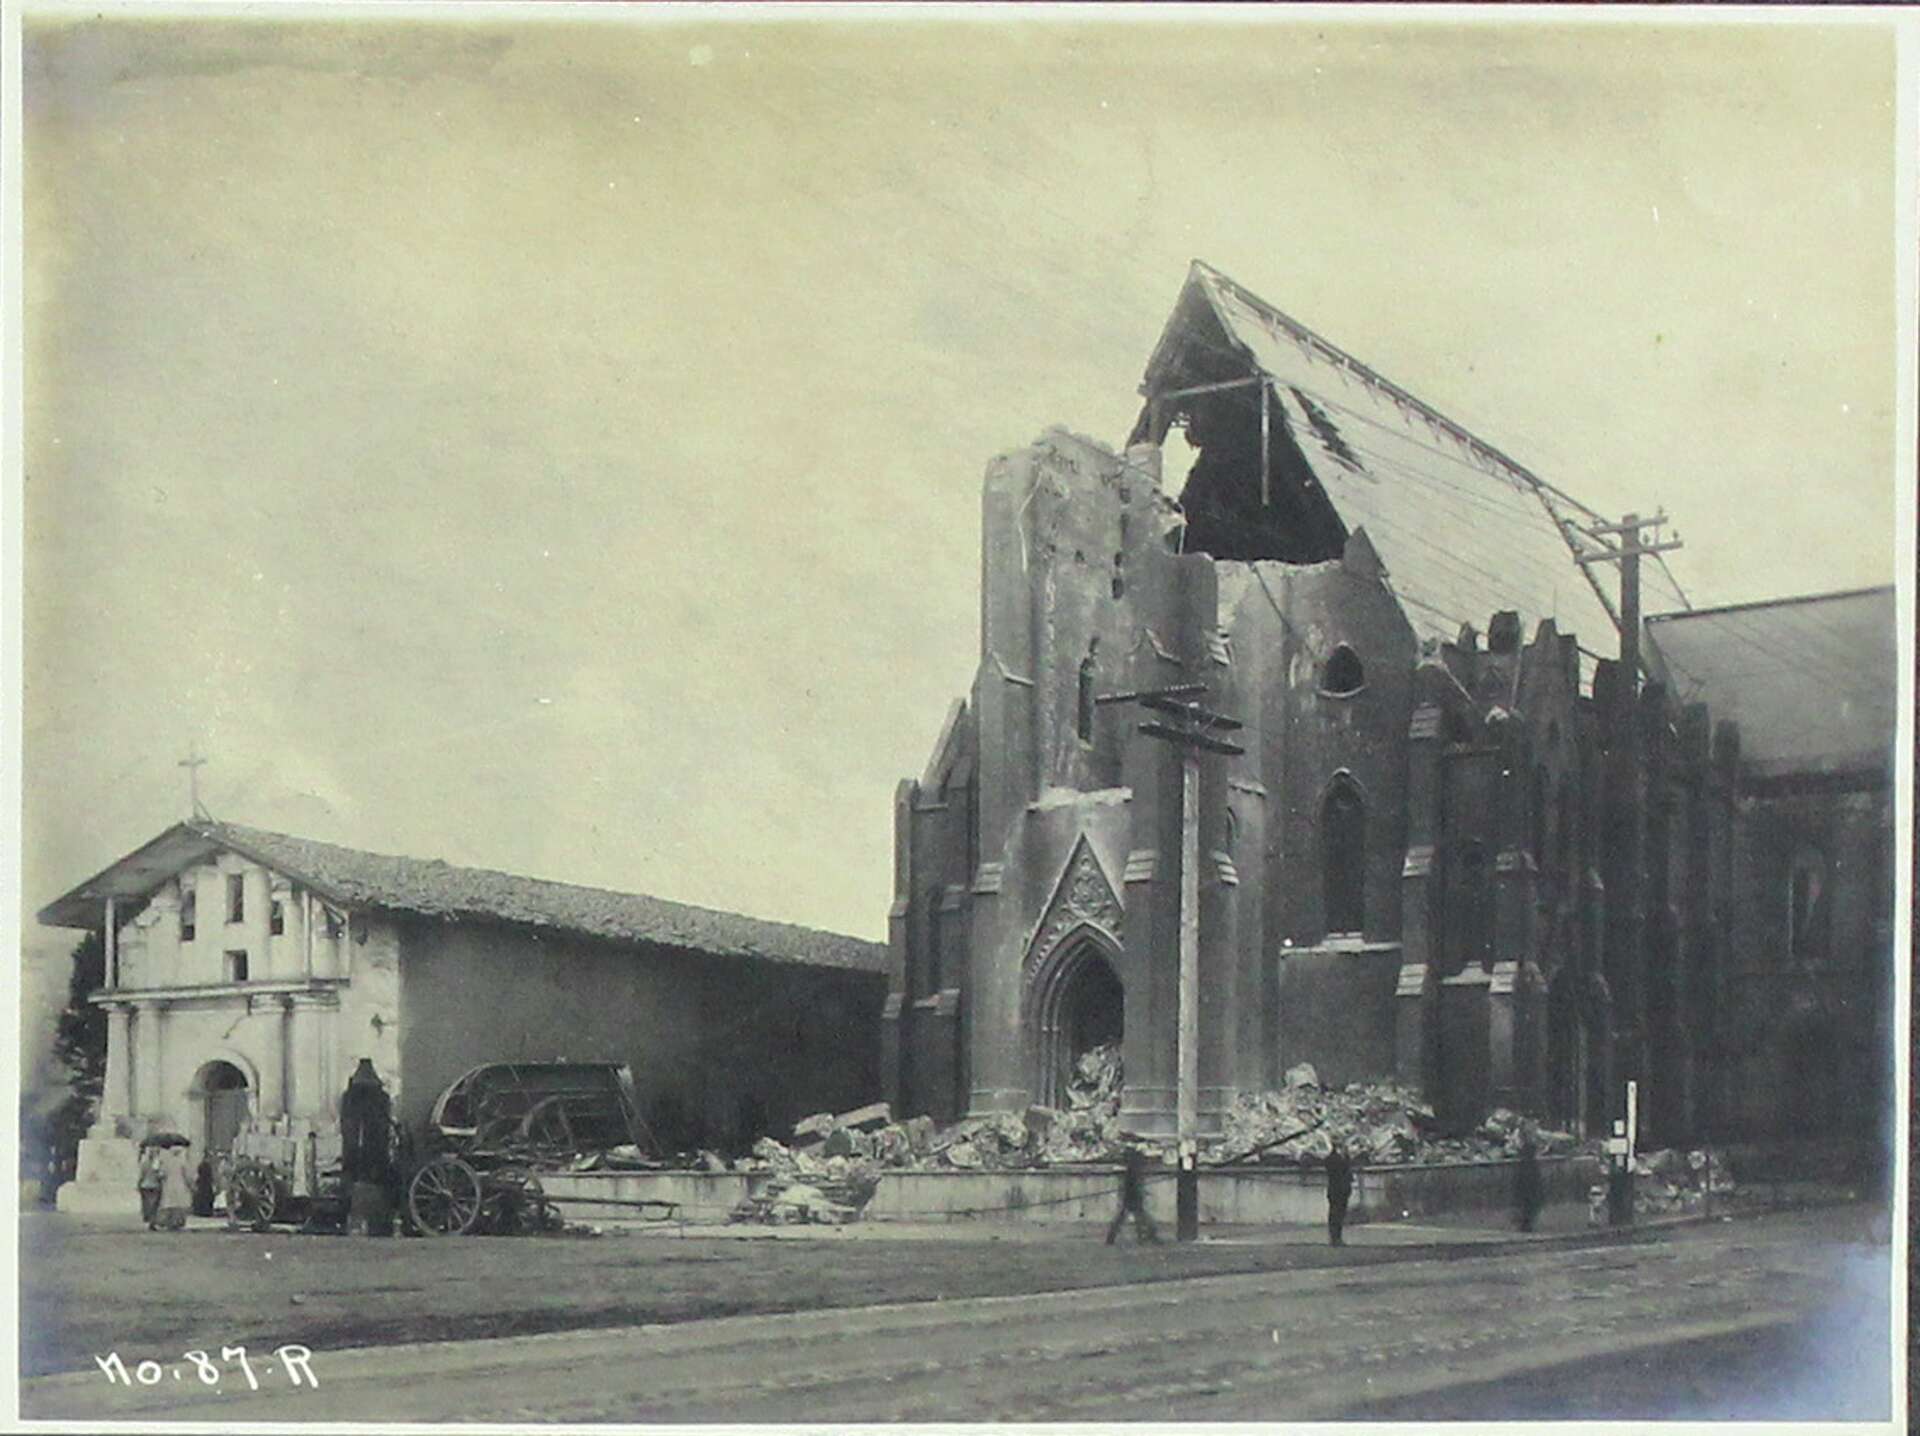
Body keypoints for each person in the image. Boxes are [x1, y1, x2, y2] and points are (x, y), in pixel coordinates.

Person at [1105, 1145, 1162, 1245]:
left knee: (1125, 1216)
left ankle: (1112, 1237)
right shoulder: (1136, 1168)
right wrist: (1140, 1192)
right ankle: (1148, 1236)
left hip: (1130, 1193)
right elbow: (1136, 1182)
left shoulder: (1131, 1167)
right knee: (1139, 1216)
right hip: (1133, 1193)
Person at [151, 1139, 195, 1231]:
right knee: (179, 1204)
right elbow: (187, 1175)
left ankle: (168, 1222)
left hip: (168, 1184)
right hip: (180, 1185)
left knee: (169, 1204)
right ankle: (177, 1222)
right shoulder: (183, 1162)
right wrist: (190, 1185)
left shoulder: (167, 1162)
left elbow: (162, 1174)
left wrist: (159, 1176)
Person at [1324, 1138, 1354, 1246]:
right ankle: (1334, 1238)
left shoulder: (1342, 1158)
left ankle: (1338, 1237)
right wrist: (1345, 1158)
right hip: (1336, 1190)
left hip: (1342, 1190)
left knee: (1340, 1214)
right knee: (1335, 1214)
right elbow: (1340, 1170)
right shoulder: (1333, 1159)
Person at [1513, 1130, 1544, 1233]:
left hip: (1526, 1187)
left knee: (1526, 1207)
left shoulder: (1524, 1162)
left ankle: (1525, 1225)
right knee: (1529, 1207)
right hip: (1531, 1188)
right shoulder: (1533, 1164)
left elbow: (1520, 1177)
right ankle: (1527, 1224)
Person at [136, 1140, 164, 1228]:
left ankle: (149, 1219)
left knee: (147, 1204)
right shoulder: (157, 1163)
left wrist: (139, 1184)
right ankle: (152, 1221)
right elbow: (159, 1174)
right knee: (154, 1205)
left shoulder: (145, 1163)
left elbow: (141, 1175)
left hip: (145, 1185)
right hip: (155, 1185)